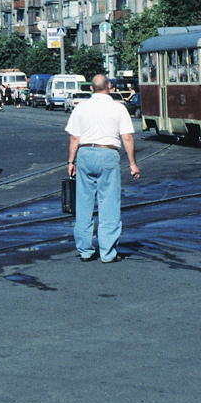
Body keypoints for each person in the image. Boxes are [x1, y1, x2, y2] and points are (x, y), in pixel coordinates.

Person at [65, 74, 141, 263]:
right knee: (109, 203)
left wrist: (71, 162)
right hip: (108, 154)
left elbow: (74, 138)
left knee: (83, 203)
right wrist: (132, 164)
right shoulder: (119, 108)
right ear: (109, 86)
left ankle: (85, 251)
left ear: (91, 89)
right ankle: (108, 253)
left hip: (84, 153)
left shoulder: (80, 108)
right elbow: (127, 138)